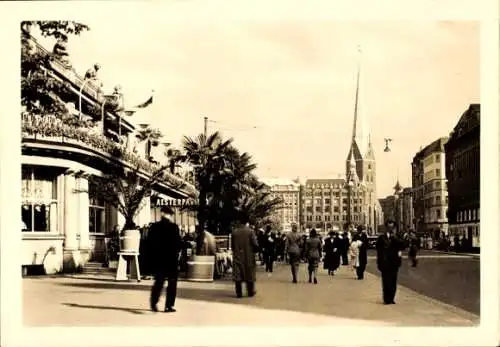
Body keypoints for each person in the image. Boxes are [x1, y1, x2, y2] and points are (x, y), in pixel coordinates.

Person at [149, 206, 182, 313]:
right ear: (169, 215)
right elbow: (178, 244)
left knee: (158, 282)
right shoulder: (174, 227)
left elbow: (150, 244)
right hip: (171, 259)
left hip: (159, 259)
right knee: (172, 283)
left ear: (161, 213)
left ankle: (154, 303)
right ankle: (169, 306)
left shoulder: (154, 227)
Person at [231, 213, 260, 298]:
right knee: (249, 274)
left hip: (237, 256)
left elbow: (232, 246)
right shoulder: (250, 231)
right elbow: (255, 244)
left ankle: (239, 292)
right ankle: (250, 291)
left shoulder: (234, 232)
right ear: (247, 221)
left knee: (238, 275)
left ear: (239, 221)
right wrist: (256, 250)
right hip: (249, 256)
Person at [376, 220, 405, 305]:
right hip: (385, 263)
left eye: (392, 227)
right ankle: (386, 299)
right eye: (389, 227)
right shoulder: (381, 238)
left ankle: (392, 298)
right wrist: (379, 263)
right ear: (386, 227)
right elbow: (379, 251)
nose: (390, 229)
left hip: (394, 263)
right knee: (386, 281)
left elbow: (402, 246)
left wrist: (395, 237)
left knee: (393, 281)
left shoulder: (397, 237)